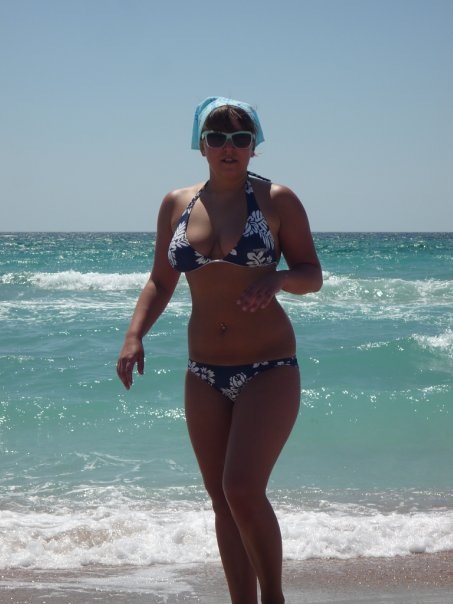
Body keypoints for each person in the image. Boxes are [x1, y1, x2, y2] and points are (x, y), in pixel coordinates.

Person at [117, 96, 323, 604]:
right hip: (204, 371)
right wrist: (134, 334)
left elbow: (311, 275)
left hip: (269, 367)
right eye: (217, 137)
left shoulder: (277, 200)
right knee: (222, 501)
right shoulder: (177, 203)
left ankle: (273, 598)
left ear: (254, 146)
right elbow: (160, 281)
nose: (229, 147)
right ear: (201, 145)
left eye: (240, 137)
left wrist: (277, 279)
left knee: (242, 489)